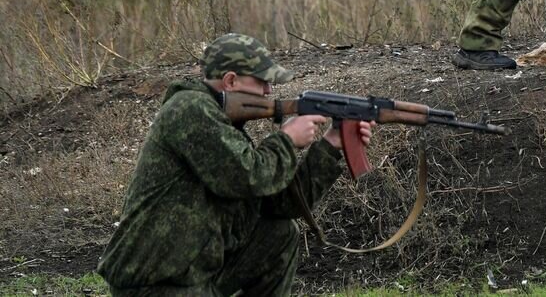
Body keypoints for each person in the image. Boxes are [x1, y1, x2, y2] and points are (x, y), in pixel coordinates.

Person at [98, 33, 372, 296]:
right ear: (230, 81)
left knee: (280, 233)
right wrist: (286, 140)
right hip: (155, 284)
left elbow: (280, 205)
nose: (268, 90)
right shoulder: (189, 108)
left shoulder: (222, 122)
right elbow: (248, 176)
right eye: (262, 82)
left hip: (194, 274)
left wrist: (331, 145)